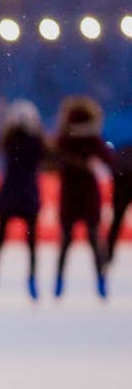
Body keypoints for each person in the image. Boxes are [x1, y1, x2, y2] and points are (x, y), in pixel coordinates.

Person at [0, 100, 47, 302]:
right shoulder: (32, 142)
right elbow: (47, 155)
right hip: (25, 197)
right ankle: (30, 281)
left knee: (1, 244)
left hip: (11, 197)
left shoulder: (11, 141)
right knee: (29, 244)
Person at [53, 96, 114, 298]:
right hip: (87, 193)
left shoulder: (64, 138)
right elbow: (110, 159)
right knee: (94, 239)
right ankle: (101, 280)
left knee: (68, 240)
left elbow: (53, 160)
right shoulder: (92, 139)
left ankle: (60, 281)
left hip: (71, 193)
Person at [106, 137, 132, 266]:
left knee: (116, 221)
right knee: (117, 221)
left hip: (121, 182)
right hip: (122, 181)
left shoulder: (120, 153)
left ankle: (107, 257)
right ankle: (108, 256)